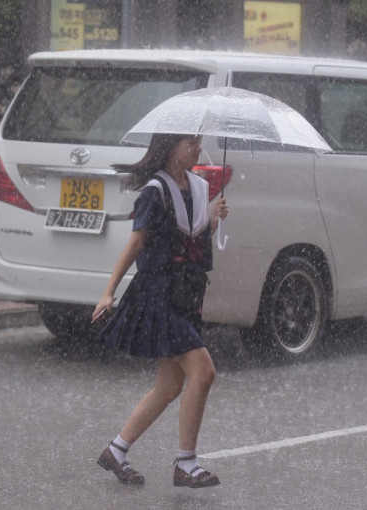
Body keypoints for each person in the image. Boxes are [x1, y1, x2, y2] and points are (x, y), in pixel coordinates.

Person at [93, 134, 228, 488]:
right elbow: (137, 241)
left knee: (169, 386)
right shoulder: (155, 191)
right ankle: (186, 464)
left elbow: (188, 240)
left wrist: (213, 220)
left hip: (185, 295)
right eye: (191, 142)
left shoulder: (196, 187)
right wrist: (108, 292)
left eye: (199, 141)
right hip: (159, 295)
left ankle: (116, 451)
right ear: (170, 147)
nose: (198, 148)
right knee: (203, 372)